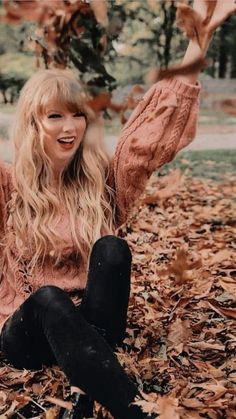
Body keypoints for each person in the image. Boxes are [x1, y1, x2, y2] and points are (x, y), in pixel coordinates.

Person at [0, 2, 235, 418]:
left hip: (94, 329)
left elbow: (152, 132)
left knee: (111, 248)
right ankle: (133, 410)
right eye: (55, 116)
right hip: (27, 334)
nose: (69, 127)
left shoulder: (99, 182)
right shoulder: (8, 184)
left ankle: (88, 378)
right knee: (49, 297)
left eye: (77, 115)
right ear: (32, 123)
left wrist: (199, 40)